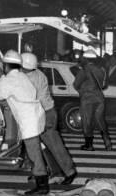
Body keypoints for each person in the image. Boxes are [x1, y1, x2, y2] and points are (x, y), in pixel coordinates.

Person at [0, 50, 46, 196]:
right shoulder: (21, 76)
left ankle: (42, 186)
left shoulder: (10, 80)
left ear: (5, 65)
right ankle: (40, 177)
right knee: (37, 150)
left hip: (29, 121)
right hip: (35, 115)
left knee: (34, 153)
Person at [20, 52, 77, 186]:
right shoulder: (39, 73)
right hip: (48, 111)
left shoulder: (28, 79)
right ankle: (55, 172)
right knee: (44, 146)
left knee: (53, 145)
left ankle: (69, 171)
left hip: (42, 113)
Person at [73, 50, 112, 152]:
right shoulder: (102, 70)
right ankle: (107, 140)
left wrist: (82, 90)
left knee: (87, 121)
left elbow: (75, 84)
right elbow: (104, 85)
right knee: (100, 120)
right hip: (99, 98)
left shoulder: (84, 70)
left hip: (87, 99)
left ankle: (89, 145)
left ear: (85, 58)